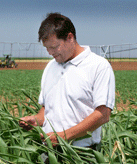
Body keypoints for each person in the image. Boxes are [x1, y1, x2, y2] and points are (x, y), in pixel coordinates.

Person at [19, 13, 115, 149]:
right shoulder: (50, 67)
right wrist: (36, 119)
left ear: (70, 38)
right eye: (47, 48)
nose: (50, 52)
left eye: (54, 47)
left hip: (82, 153)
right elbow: (47, 109)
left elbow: (103, 114)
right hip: (50, 150)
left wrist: (63, 136)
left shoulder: (98, 66)